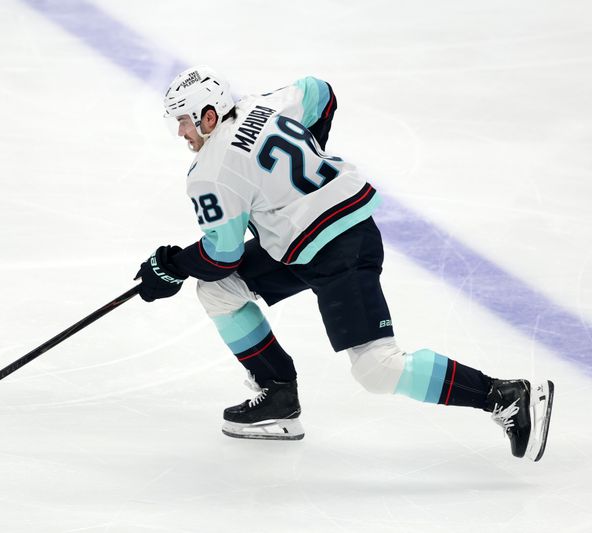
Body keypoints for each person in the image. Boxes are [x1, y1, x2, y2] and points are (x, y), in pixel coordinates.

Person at [134, 65, 555, 461]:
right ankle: (278, 393)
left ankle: (503, 395)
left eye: (184, 121)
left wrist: (172, 265)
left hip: (338, 249)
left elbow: (220, 255)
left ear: (209, 116)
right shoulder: (262, 105)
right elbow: (320, 92)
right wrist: (306, 160)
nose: (180, 132)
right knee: (219, 292)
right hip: (318, 236)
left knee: (377, 368)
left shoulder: (210, 170)